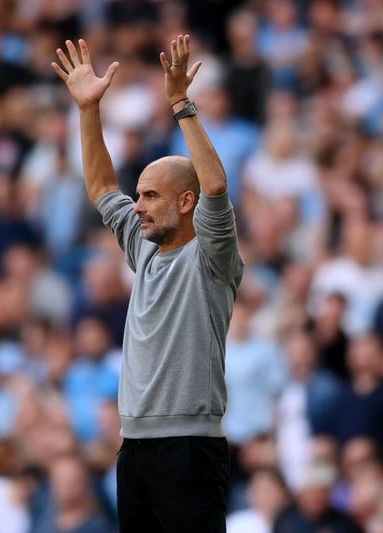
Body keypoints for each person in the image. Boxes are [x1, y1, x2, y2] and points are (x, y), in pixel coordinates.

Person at [52, 34, 244, 532]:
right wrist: (88, 109)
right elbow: (100, 187)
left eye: (151, 195)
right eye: (139, 195)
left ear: (185, 202)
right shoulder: (143, 248)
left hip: (189, 447)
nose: (137, 206)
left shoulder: (212, 256)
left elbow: (216, 187)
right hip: (133, 446)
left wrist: (181, 104)